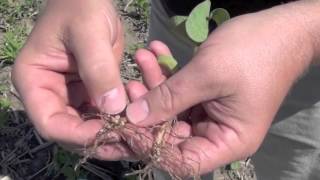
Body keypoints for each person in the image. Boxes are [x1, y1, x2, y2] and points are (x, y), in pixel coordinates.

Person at [11, 0, 320, 179]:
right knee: (172, 156)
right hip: (179, 19)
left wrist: (304, 35)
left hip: (306, 65)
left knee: (291, 166)